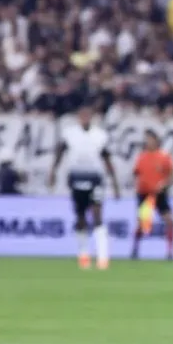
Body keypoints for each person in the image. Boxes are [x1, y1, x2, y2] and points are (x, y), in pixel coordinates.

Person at [48, 105, 121, 270]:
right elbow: (60, 152)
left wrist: (115, 183)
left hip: (95, 178)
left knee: (97, 215)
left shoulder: (99, 135)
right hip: (76, 177)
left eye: (88, 115)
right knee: (80, 217)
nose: (85, 118)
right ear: (78, 117)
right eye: (82, 115)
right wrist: (53, 171)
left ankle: (103, 257)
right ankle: (83, 255)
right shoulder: (70, 134)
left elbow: (107, 159)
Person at [132, 130, 173, 261]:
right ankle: (135, 249)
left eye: (150, 139)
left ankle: (170, 252)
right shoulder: (141, 157)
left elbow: (172, 177)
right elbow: (136, 174)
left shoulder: (164, 157)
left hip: (160, 194)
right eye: (146, 140)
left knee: (170, 220)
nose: (148, 142)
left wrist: (164, 184)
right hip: (145, 194)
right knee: (141, 224)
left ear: (156, 141)